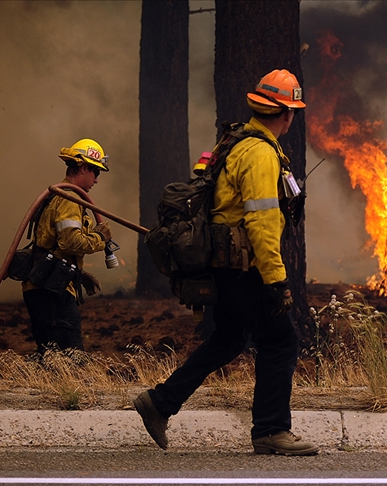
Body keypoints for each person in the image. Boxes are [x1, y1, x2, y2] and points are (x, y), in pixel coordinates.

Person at [133, 69, 319, 456]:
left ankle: (160, 402)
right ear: (285, 114)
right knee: (281, 341)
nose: (292, 120)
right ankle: (270, 430)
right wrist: (276, 280)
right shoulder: (262, 153)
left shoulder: (236, 141)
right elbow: (262, 221)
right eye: (293, 113)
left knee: (230, 337)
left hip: (225, 266)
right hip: (246, 269)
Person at [22, 138, 112, 354]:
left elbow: (52, 245)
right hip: (52, 292)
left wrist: (78, 274)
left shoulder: (59, 196)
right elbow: (70, 241)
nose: (97, 181)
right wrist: (101, 239)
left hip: (45, 287)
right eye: (96, 172)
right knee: (72, 358)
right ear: (83, 168)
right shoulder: (70, 199)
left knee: (51, 357)